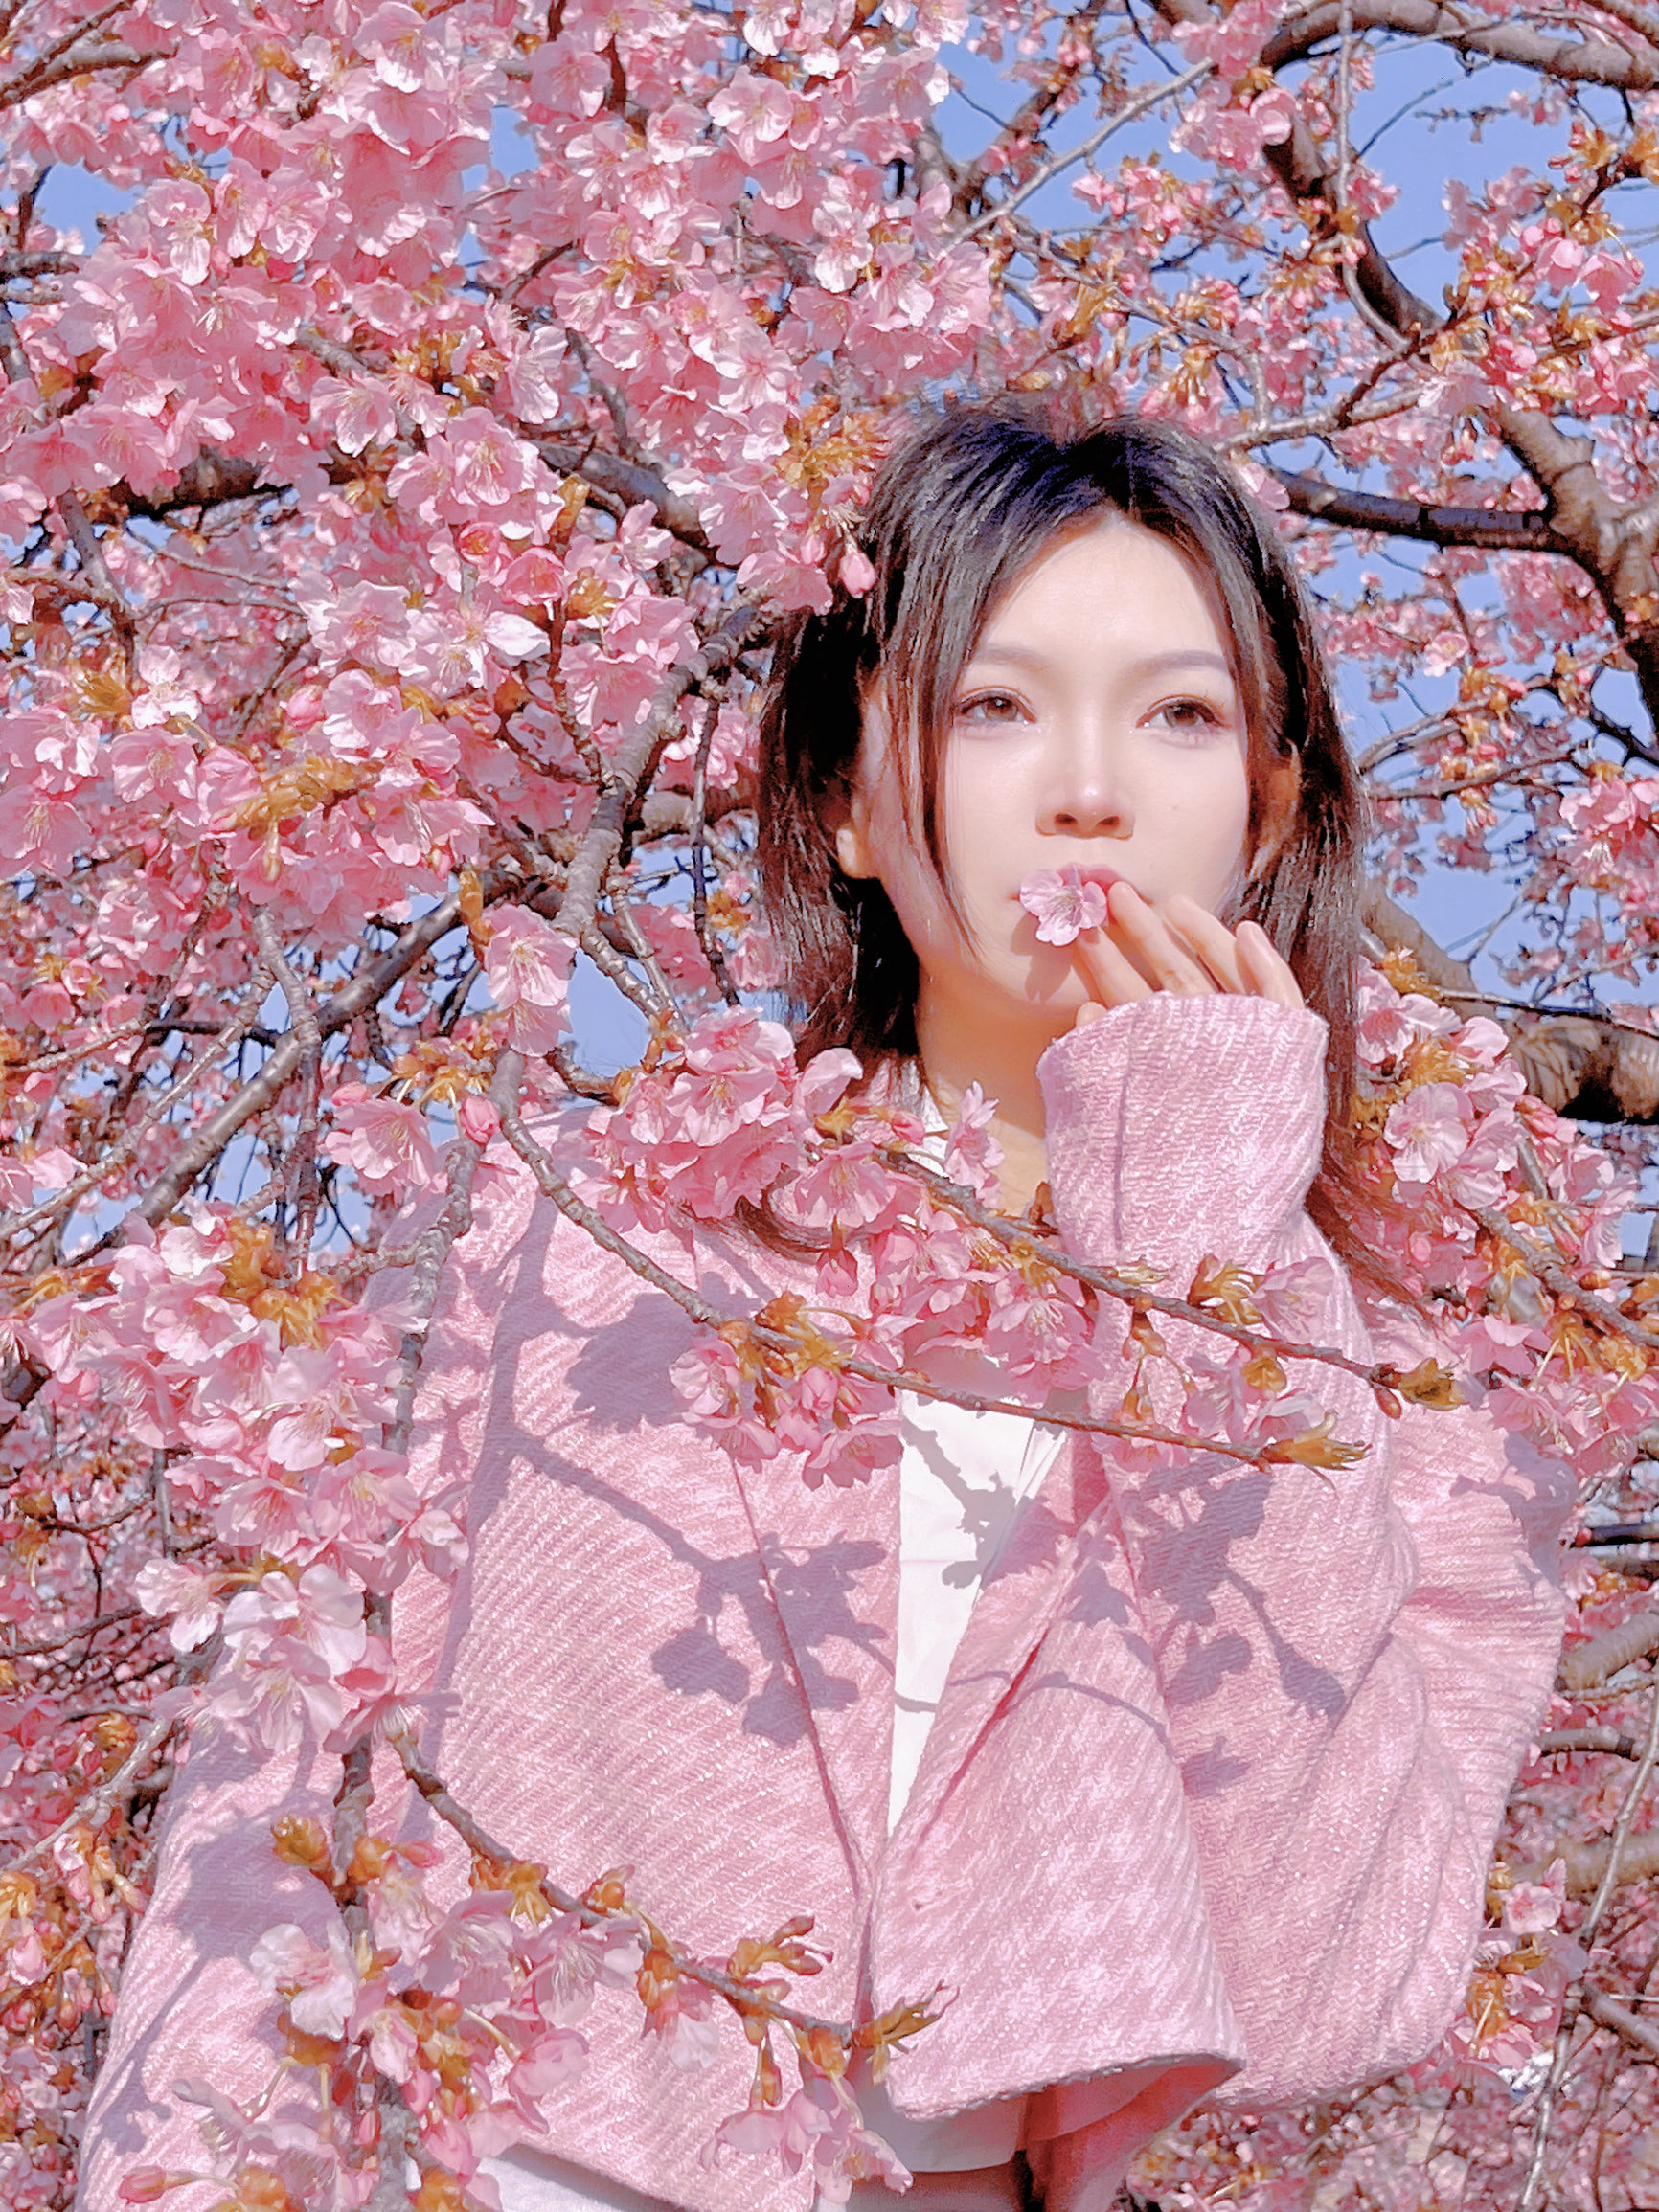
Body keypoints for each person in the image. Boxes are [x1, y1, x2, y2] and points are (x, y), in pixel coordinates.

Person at [76, 406, 1575, 2212]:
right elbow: (275, 1789)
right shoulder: (581, 1239)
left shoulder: (1414, 1412)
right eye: (994, 705)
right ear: (855, 800)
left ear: (1271, 810)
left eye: (1179, 716)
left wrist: (1215, 1247)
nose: (1089, 790)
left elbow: (1337, 1982)